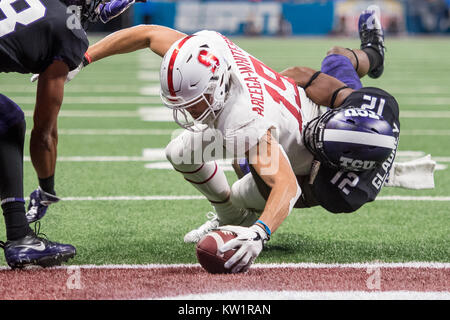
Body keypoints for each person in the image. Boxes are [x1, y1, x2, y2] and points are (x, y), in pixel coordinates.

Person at [59, 7, 430, 273]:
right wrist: (84, 57)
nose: (188, 112)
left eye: (195, 102)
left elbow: (287, 187)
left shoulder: (243, 121)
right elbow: (147, 34)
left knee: (241, 194)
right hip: (291, 113)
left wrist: (259, 234)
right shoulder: (209, 48)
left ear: (217, 86)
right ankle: (228, 214)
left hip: (304, 157)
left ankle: (232, 215)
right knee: (179, 150)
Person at [0, 0, 138, 269]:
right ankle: (19, 238)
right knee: (8, 120)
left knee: (6, 119)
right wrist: (46, 189)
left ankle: (18, 234)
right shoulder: (68, 30)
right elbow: (44, 133)